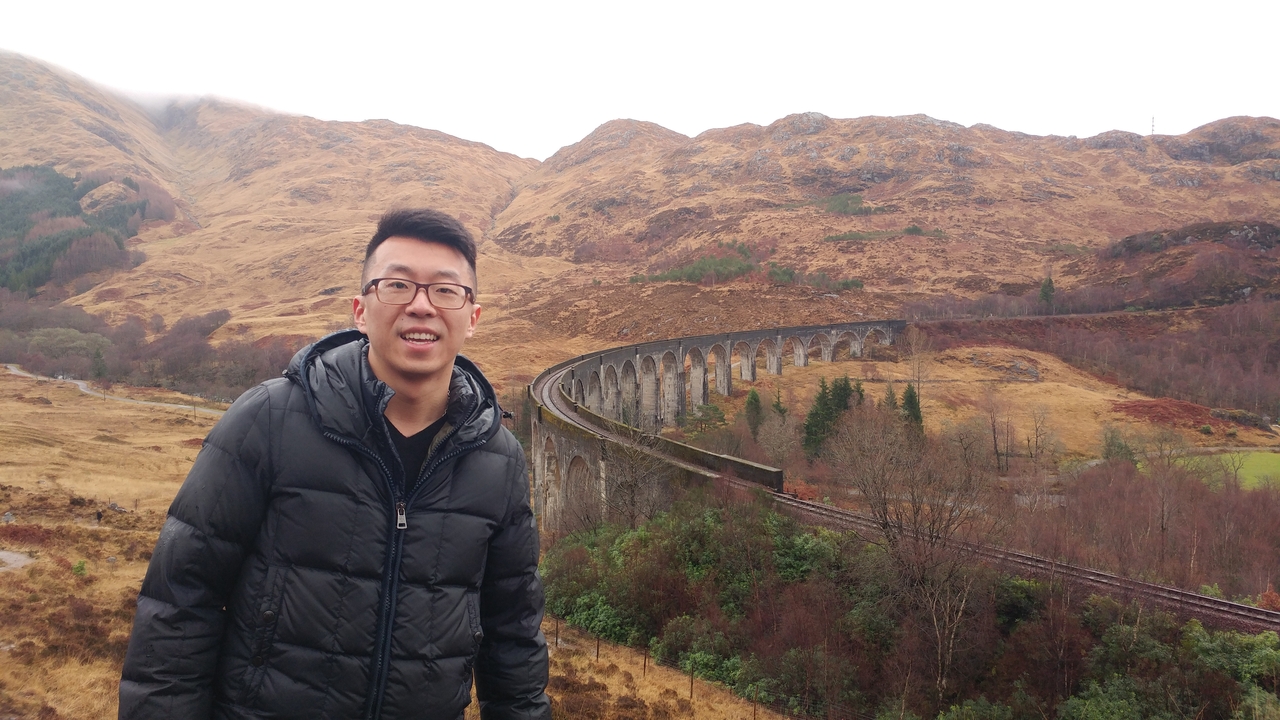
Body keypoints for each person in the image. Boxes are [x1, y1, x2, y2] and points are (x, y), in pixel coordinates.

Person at [120, 209, 551, 720]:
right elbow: (178, 604)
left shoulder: (498, 459)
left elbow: (513, 637)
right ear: (360, 310)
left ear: (472, 317)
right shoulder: (268, 419)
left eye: (445, 290)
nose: (420, 306)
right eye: (397, 285)